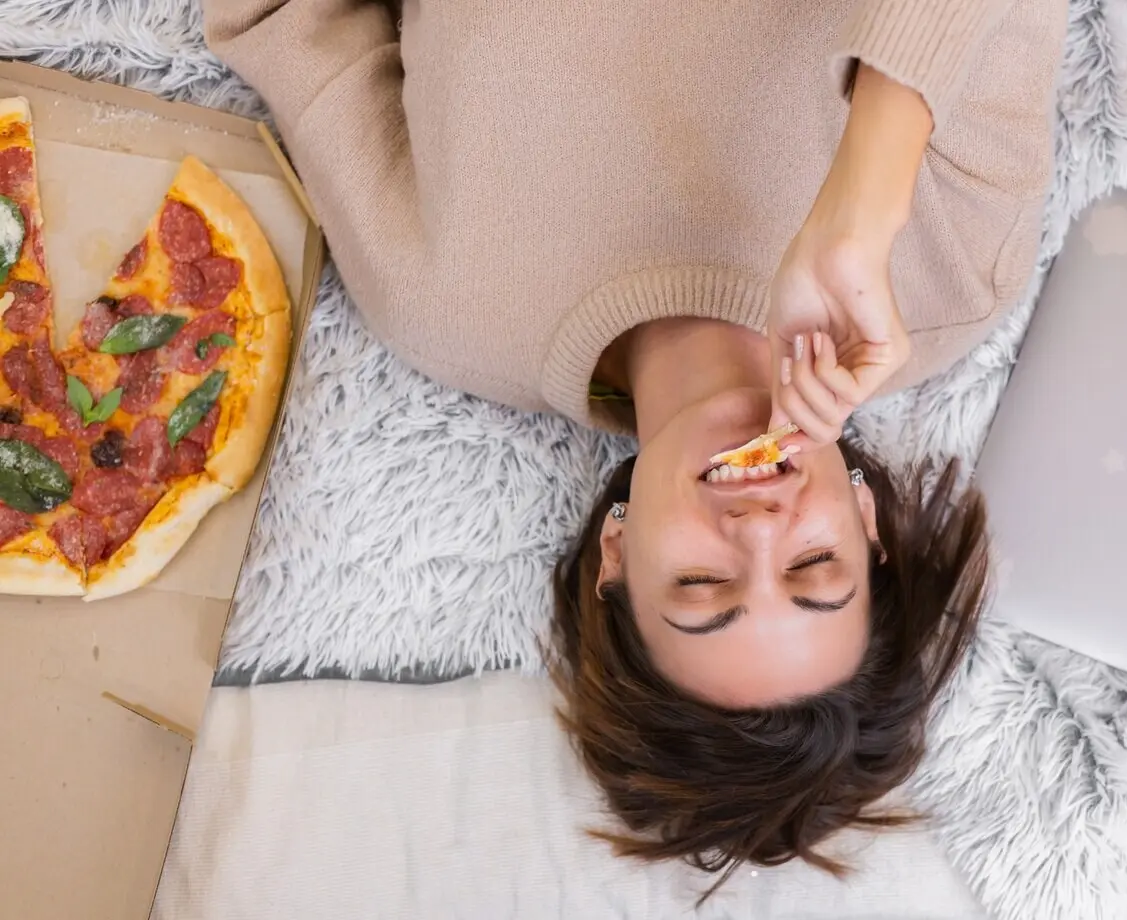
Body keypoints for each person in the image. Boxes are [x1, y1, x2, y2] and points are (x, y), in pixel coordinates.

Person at [203, 0, 1067, 895]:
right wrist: (864, 196)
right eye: (814, 565)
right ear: (866, 520)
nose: (760, 525)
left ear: (616, 553)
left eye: (702, 585)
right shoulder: (946, 276)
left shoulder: (444, 306)